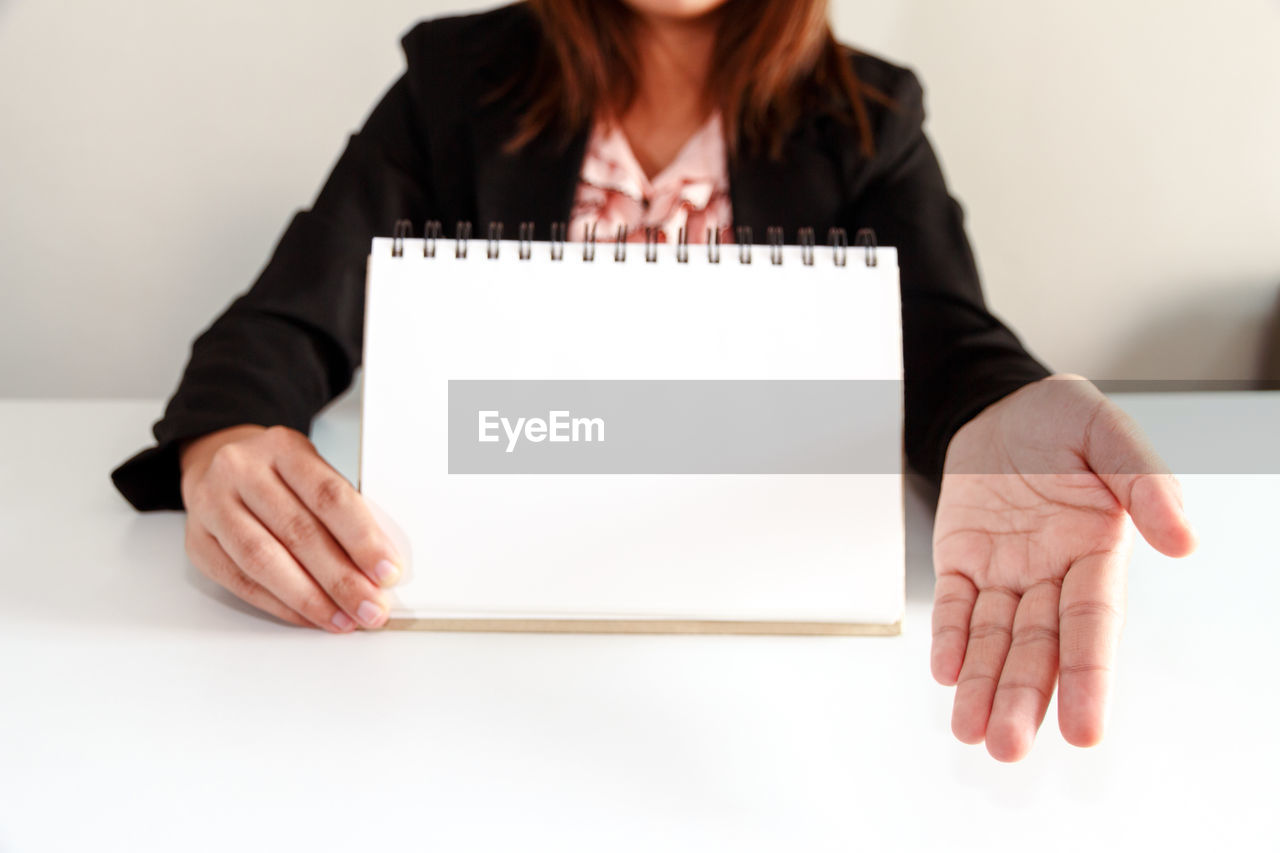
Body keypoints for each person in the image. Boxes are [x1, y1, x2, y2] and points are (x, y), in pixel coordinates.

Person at [110, 0, 1196, 762]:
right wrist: (226, 440)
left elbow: (945, 334)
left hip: (756, 657)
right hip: (467, 654)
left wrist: (1003, 403)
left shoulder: (868, 113)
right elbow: (290, 314)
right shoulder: (455, 83)